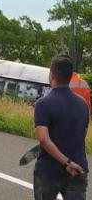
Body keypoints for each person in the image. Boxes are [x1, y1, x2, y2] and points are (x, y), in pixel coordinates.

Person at [34, 55, 89, 199]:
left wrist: (67, 163)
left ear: (52, 75)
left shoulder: (43, 104)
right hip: (78, 168)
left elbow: (43, 139)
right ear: (70, 76)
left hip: (49, 170)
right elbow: (82, 133)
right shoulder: (83, 104)